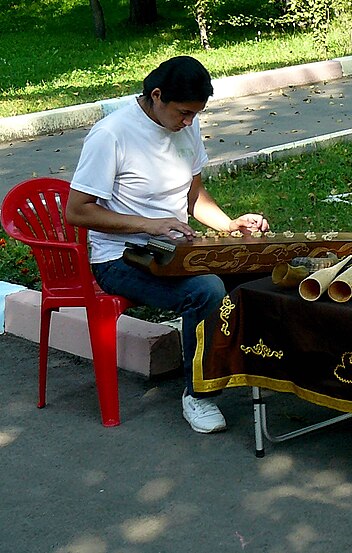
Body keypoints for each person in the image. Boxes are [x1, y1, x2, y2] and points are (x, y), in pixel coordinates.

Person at [66, 56, 269, 433]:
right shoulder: (111, 134)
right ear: (156, 96)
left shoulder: (185, 125)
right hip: (119, 258)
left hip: (173, 249)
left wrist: (229, 225)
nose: (189, 122)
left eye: (196, 114)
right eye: (184, 112)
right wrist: (149, 225)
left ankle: (247, 367)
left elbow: (193, 196)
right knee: (206, 290)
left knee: (256, 267)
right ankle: (198, 395)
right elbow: (77, 211)